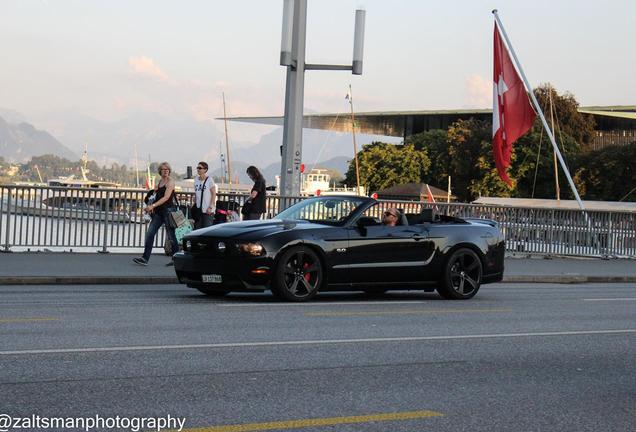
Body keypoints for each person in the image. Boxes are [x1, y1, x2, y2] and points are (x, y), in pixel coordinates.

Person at [133, 162, 179, 266]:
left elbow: (166, 198)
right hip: (158, 212)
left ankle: (176, 258)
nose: (165, 171)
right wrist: (152, 206)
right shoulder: (160, 182)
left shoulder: (170, 182)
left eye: (167, 169)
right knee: (150, 234)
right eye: (163, 169)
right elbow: (157, 196)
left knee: (171, 235)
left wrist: (152, 206)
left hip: (168, 211)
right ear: (160, 171)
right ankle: (145, 258)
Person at [193, 161, 217, 229]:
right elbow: (196, 192)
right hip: (198, 210)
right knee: (197, 230)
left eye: (200, 168)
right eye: (197, 168)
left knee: (206, 231)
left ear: (205, 170)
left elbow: (213, 194)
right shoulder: (196, 180)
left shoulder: (209, 180)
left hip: (208, 211)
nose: (198, 169)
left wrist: (211, 206)